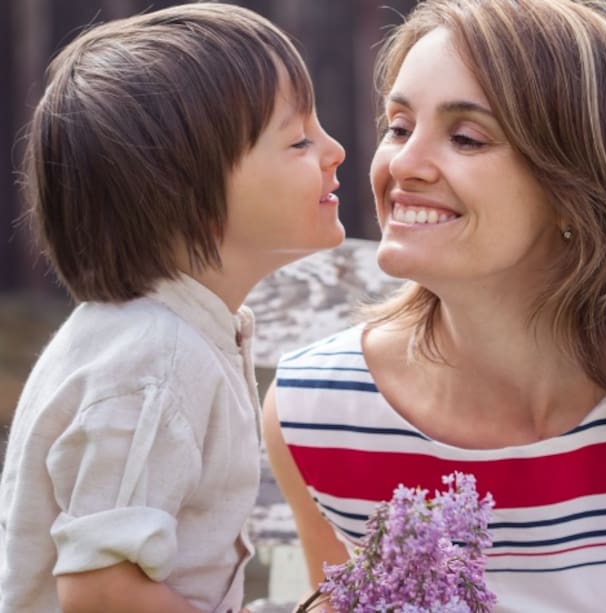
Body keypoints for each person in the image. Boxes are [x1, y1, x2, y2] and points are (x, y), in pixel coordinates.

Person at [263, 0, 606, 611]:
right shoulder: (316, 411)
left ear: (575, 186)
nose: (405, 164)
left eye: (466, 137)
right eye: (398, 126)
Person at [0, 3, 346, 612]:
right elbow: (101, 592)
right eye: (298, 139)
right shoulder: (155, 363)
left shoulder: (171, 336)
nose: (334, 149)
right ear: (193, 201)